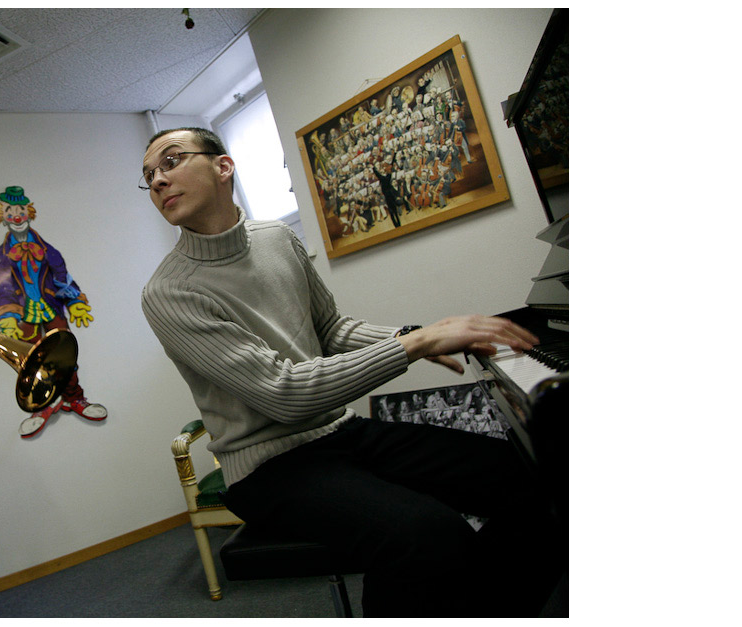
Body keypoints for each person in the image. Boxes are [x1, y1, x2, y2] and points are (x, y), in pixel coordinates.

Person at [138, 128, 563, 617]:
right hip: (266, 470)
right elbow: (283, 394)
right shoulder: (169, 293)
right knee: (427, 535)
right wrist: (416, 342)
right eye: (149, 175)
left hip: (339, 433)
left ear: (223, 167)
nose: (158, 180)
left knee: (531, 477)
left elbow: (333, 330)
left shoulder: (276, 238)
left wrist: (416, 335)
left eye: (171, 161)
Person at [0, 186, 106, 438]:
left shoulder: (48, 249)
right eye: (11, 212)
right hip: (24, 314)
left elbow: (62, 277)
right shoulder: (1, 257)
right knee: (32, 362)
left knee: (65, 355)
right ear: (3, 216)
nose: (17, 217)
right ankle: (42, 406)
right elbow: (5, 289)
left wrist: (75, 301)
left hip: (51, 307)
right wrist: (7, 317)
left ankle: (74, 398)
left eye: (21, 211)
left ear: (29, 213)